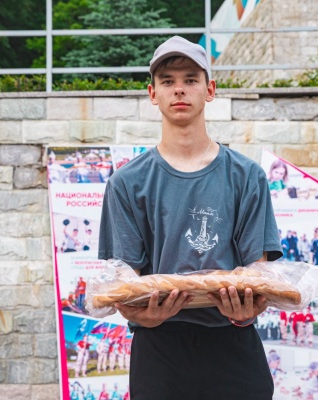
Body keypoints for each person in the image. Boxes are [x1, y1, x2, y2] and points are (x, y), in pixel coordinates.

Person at [98, 35, 282, 399]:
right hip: (159, 347)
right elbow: (124, 280)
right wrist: (136, 314)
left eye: (190, 79)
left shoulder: (247, 176)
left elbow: (257, 271)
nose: (179, 89)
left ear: (210, 90)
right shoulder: (126, 183)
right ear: (153, 94)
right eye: (167, 81)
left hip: (233, 342)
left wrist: (246, 309)